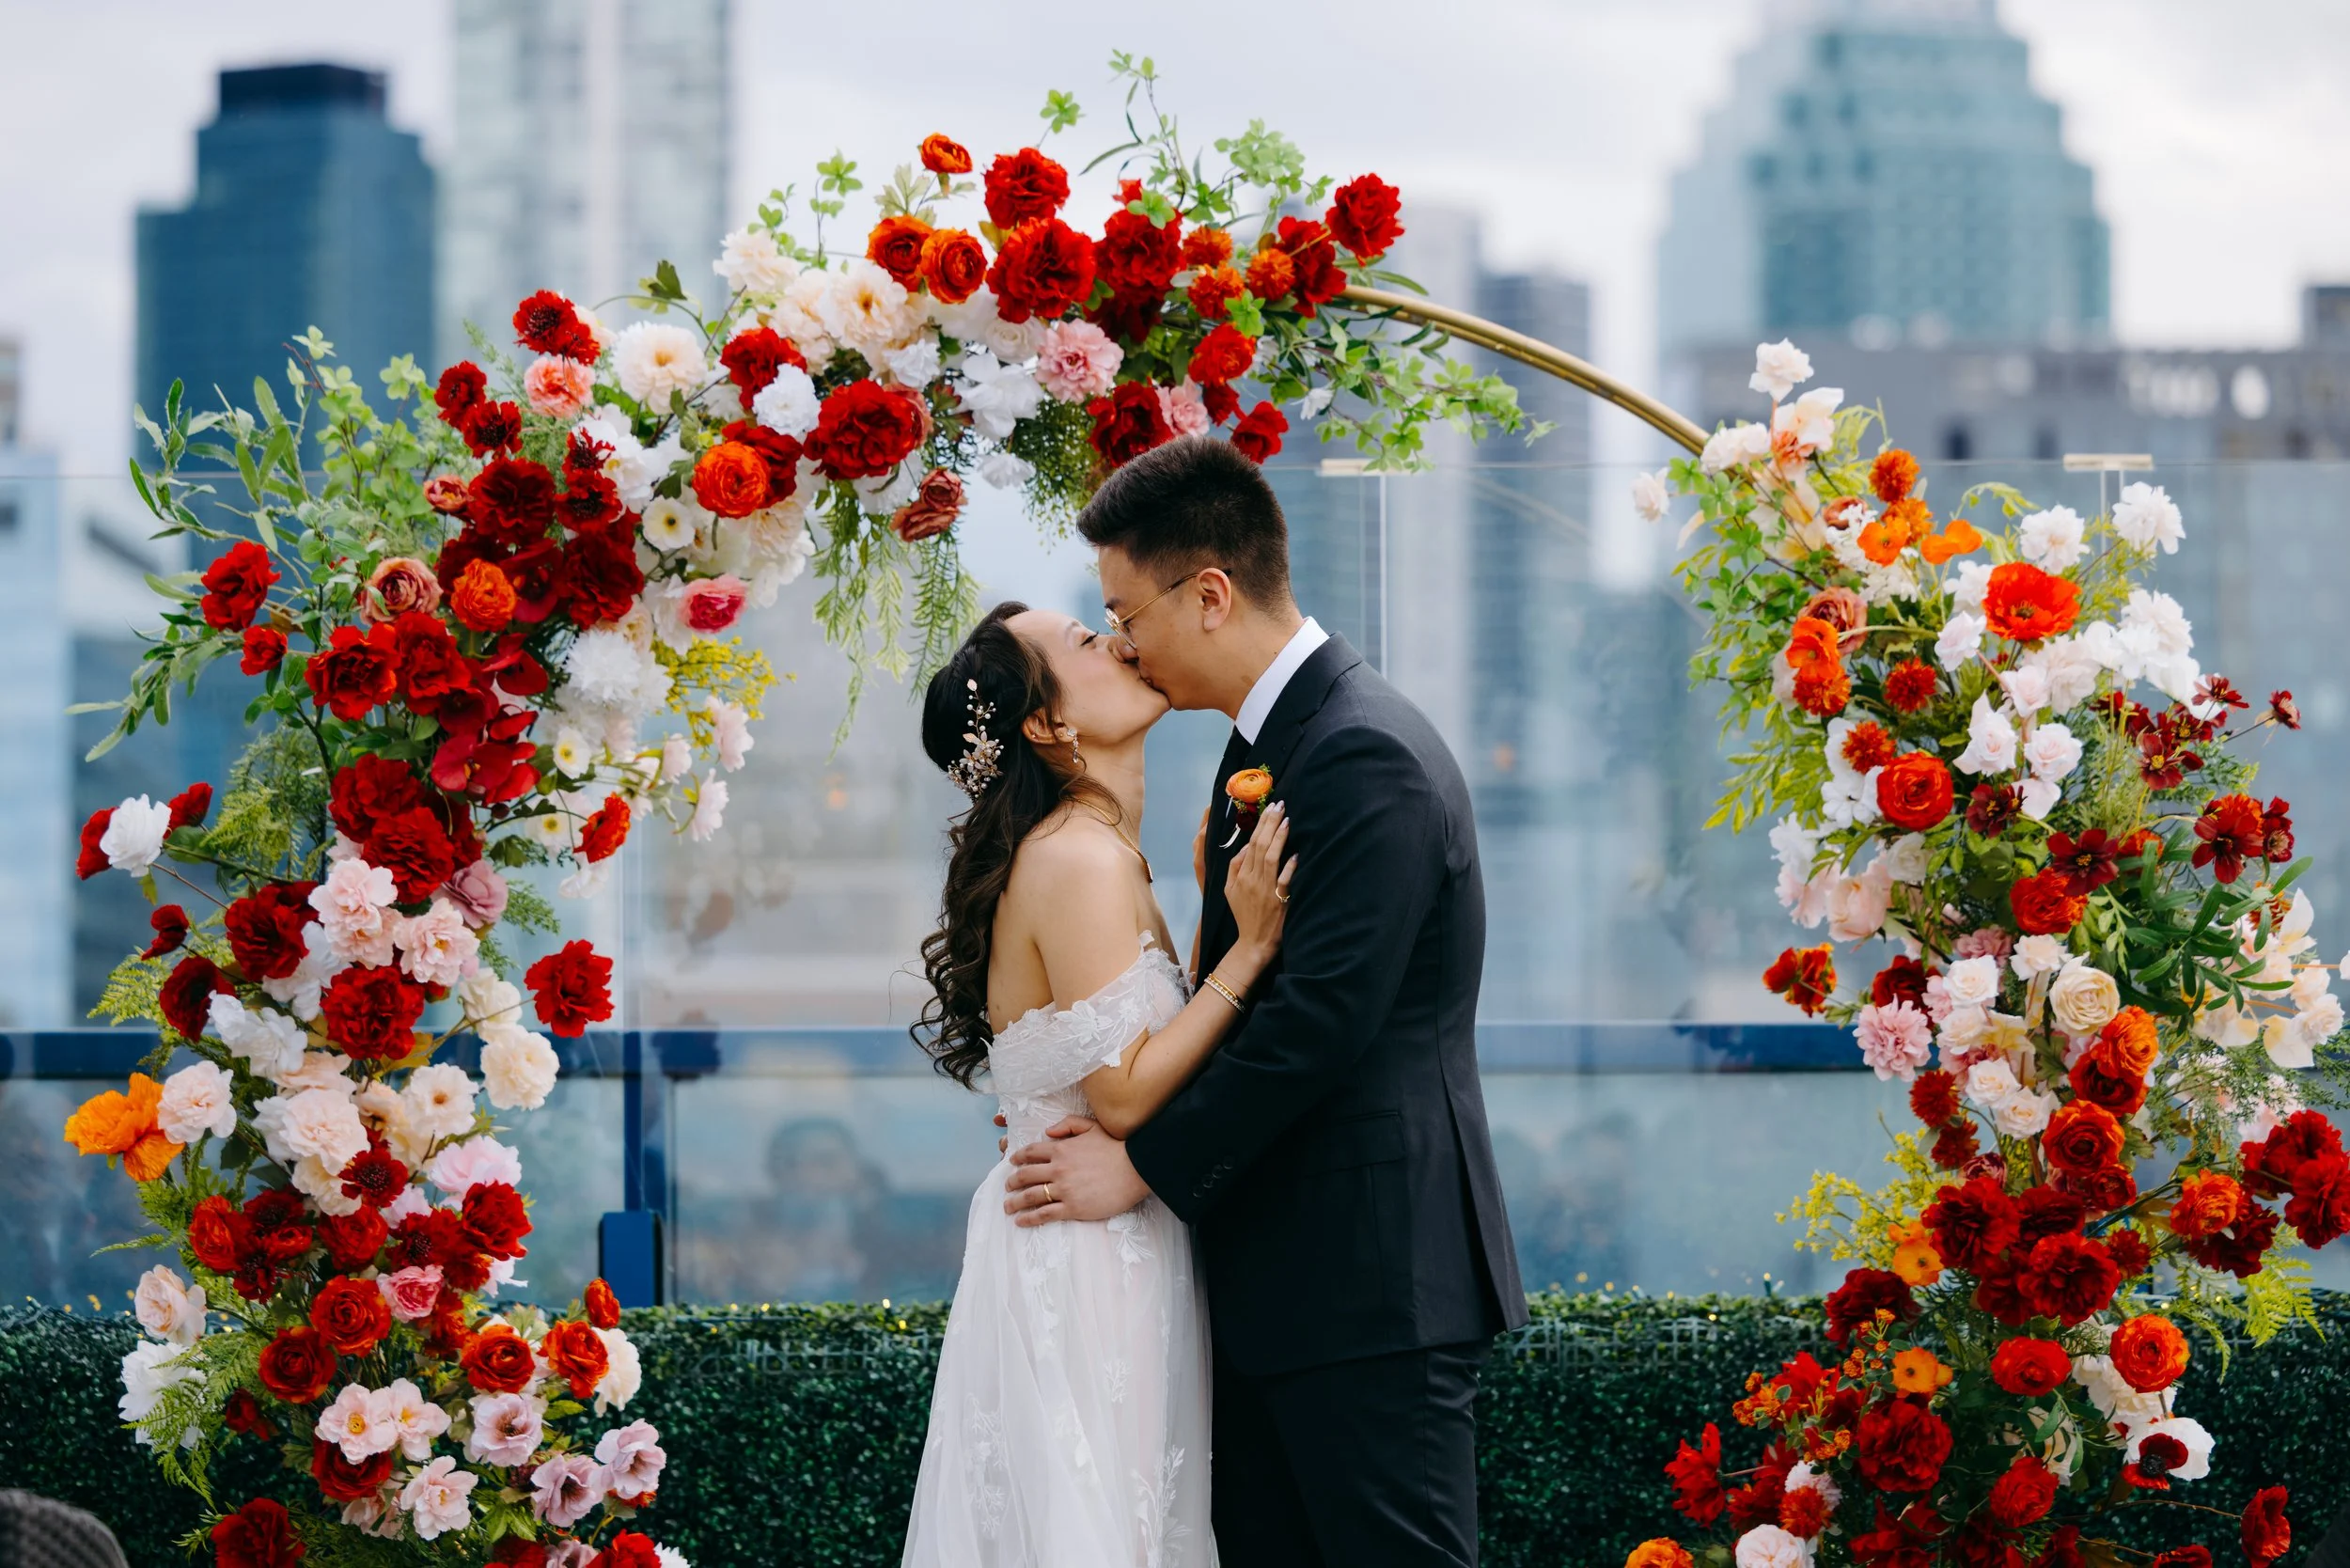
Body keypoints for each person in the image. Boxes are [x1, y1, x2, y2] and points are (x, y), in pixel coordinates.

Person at [1004, 435, 1527, 1567]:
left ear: (1207, 593)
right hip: (1283, 1283)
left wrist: (1138, 1165)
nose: (1125, 646)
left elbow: (1320, 1024)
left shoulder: (1360, 753)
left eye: (1123, 612)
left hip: (1371, 1282)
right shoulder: (1272, 746)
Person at [901, 599, 1296, 1567]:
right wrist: (1246, 953)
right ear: (1046, 725)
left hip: (1106, 1240)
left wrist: (1206, 913)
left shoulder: (1103, 848)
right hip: (1084, 1259)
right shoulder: (1074, 858)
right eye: (1085, 640)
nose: (1116, 638)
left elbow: (1124, 1044)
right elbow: (1120, 1097)